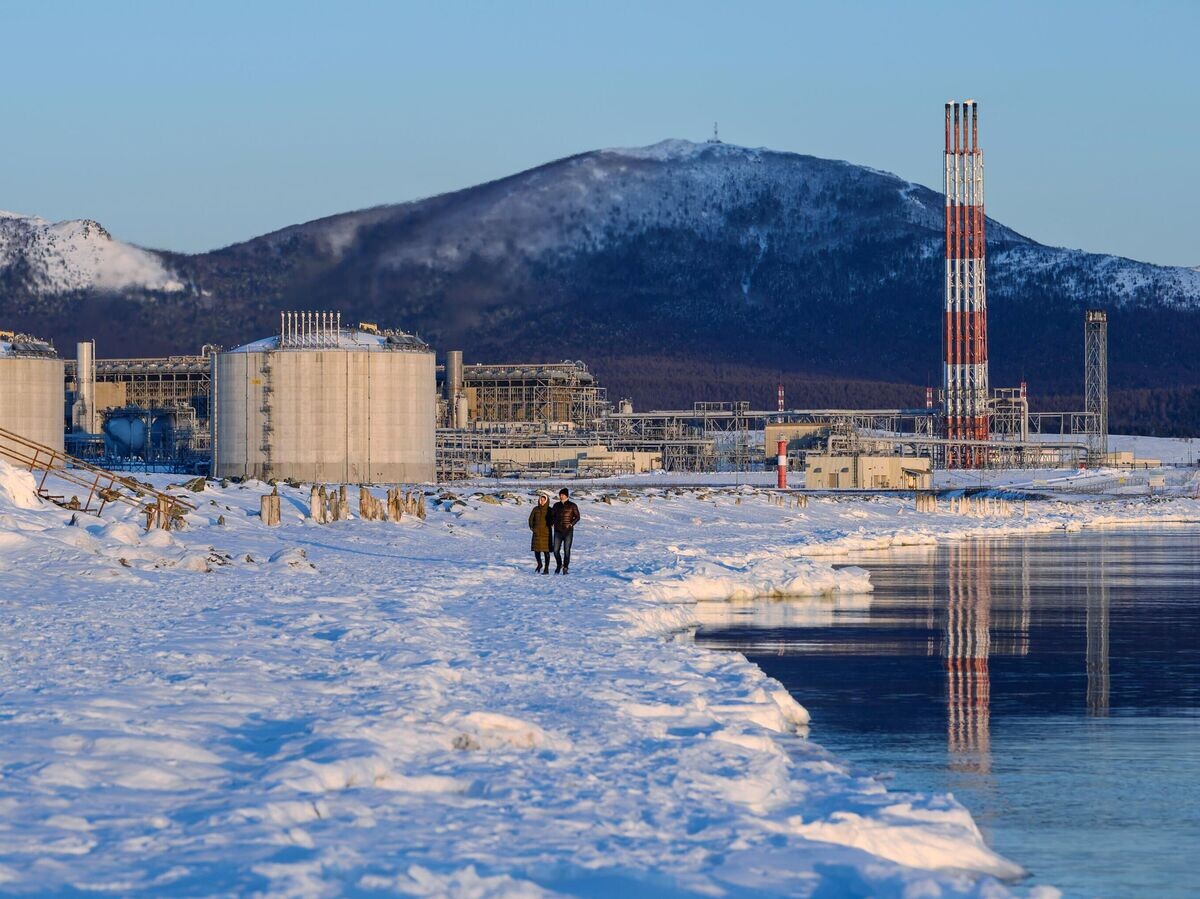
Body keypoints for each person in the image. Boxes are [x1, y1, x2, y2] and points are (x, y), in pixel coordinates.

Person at [550, 487, 580, 574]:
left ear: (566, 495)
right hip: (557, 531)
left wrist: (571, 524)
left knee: (567, 550)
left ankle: (565, 567)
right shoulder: (556, 505)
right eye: (560, 494)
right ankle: (559, 564)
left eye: (562, 494)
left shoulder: (572, 505)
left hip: (568, 531)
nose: (561, 496)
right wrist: (552, 523)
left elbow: (578, 517)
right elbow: (552, 516)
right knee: (555, 551)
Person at [528, 492, 553, 574]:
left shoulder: (550, 510)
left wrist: (551, 524)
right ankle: (539, 564)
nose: (542, 501)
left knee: (546, 551)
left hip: (546, 533)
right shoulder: (535, 509)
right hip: (537, 533)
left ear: (546, 501)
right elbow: (530, 519)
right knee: (537, 551)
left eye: (543, 500)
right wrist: (532, 528)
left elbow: (553, 520)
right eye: (541, 500)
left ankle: (546, 568)